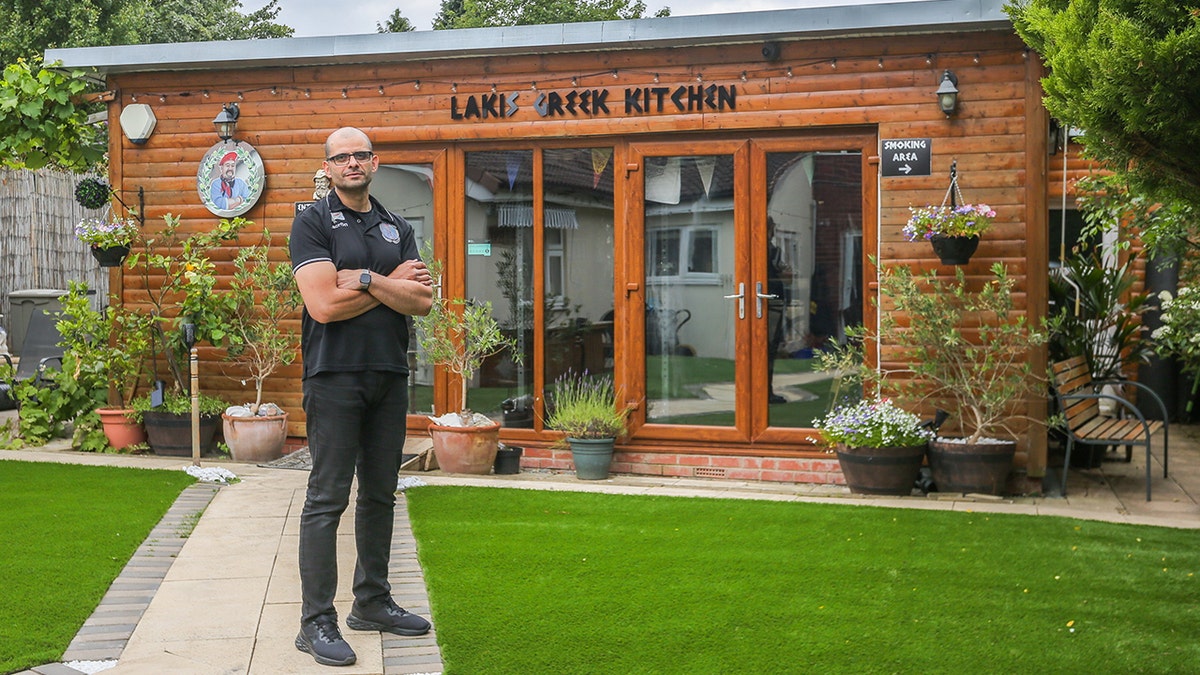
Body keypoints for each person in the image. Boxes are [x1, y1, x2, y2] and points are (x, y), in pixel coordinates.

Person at [289, 127, 434, 667]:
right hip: (334, 376)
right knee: (327, 498)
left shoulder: (396, 225)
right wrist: (388, 285)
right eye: (340, 156)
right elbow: (323, 306)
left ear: (375, 162)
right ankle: (316, 621)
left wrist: (367, 278)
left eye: (360, 154)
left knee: (380, 494)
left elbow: (420, 301)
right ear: (327, 167)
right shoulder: (311, 222)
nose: (352, 162)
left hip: (389, 374)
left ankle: (371, 602)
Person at [766, 217, 793, 404]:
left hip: (766, 302)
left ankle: (763, 391)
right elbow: (786, 276)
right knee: (769, 347)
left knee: (764, 348)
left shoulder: (760, 248)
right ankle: (766, 392)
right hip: (771, 303)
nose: (775, 230)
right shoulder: (772, 250)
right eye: (773, 227)